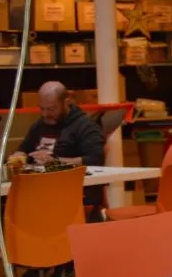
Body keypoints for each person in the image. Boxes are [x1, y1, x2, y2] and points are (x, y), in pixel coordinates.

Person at [17, 81, 106, 217]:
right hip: (39, 194)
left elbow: (95, 158)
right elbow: (23, 150)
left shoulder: (85, 126)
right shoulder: (39, 126)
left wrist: (55, 162)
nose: (45, 114)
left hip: (74, 197)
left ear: (66, 102)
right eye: (42, 109)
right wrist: (18, 157)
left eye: (51, 109)